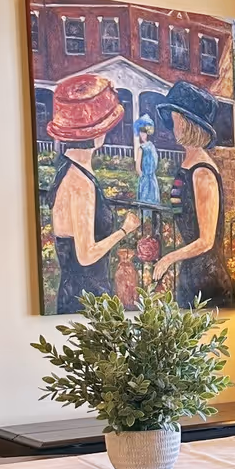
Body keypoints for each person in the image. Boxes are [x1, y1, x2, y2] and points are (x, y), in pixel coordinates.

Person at [45, 74, 138, 314]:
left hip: (77, 292)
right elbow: (86, 255)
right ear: (96, 134)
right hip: (86, 297)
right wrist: (124, 230)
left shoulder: (70, 170)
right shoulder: (79, 183)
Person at [151, 82, 233, 307]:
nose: (172, 124)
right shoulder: (189, 163)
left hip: (208, 277)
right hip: (191, 272)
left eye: (176, 117)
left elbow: (206, 241)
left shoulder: (203, 173)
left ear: (188, 124)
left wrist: (169, 258)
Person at [133, 114, 160, 204]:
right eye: (141, 132)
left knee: (150, 202)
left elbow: (155, 162)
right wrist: (143, 176)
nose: (142, 134)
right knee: (147, 202)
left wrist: (146, 176)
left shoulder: (149, 147)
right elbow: (138, 167)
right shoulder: (144, 148)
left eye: (144, 132)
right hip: (147, 179)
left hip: (151, 179)